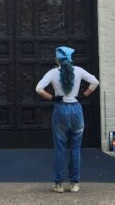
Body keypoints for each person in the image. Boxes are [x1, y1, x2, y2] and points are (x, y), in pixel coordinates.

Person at [36, 46, 99, 193]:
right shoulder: (79, 70)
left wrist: (52, 98)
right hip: (76, 109)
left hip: (60, 110)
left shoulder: (52, 73)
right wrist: (83, 95)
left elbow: (38, 89)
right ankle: (74, 183)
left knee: (60, 148)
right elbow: (94, 82)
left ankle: (58, 184)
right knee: (75, 148)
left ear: (57, 59)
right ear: (71, 59)